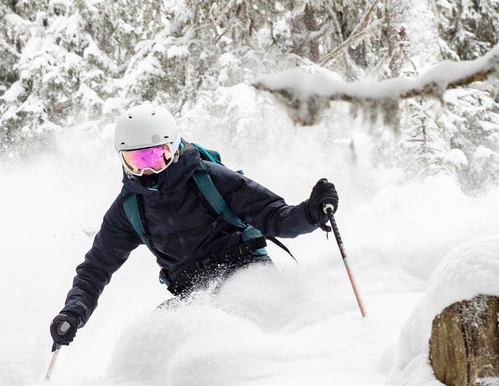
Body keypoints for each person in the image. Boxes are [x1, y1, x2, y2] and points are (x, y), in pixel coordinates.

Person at [49, 105, 339, 349]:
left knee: (228, 328)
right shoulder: (129, 208)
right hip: (194, 294)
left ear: (173, 148)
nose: (147, 171)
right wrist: (75, 311)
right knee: (150, 340)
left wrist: (311, 213)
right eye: (136, 160)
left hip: (246, 273)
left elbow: (274, 216)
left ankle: (256, 384)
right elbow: (96, 268)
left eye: (155, 156)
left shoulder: (210, 179)